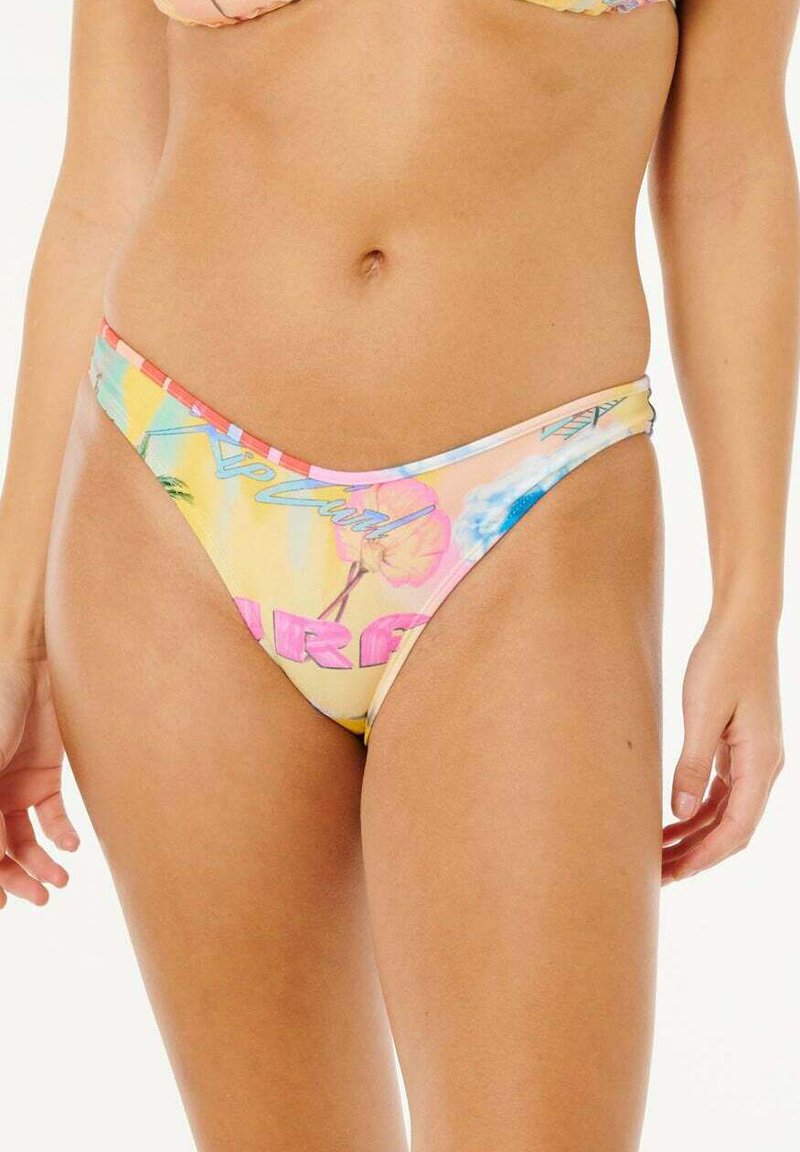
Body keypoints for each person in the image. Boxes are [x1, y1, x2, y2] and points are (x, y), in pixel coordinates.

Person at [1, 1, 797, 1149]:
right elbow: (103, 171)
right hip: (170, 497)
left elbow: (730, 170)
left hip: (528, 506)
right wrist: (18, 633)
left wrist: (750, 597)